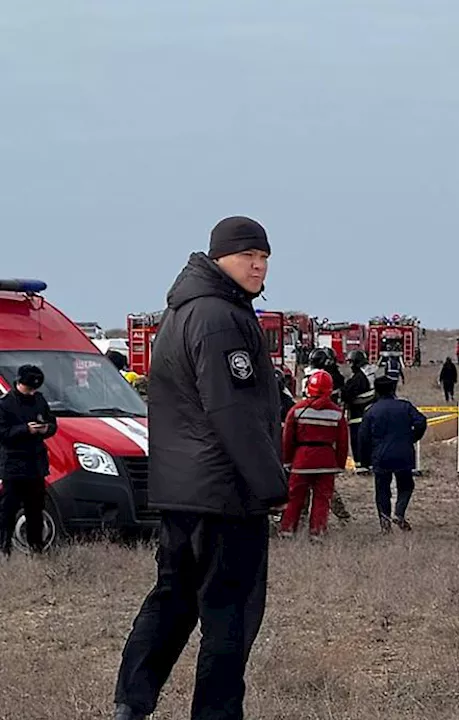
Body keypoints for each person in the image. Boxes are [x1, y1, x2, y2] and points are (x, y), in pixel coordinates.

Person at [114, 216, 288, 720]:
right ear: (219, 259)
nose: (258, 265)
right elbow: (231, 411)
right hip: (224, 494)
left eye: (265, 257)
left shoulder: (185, 311)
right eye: (247, 256)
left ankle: (132, 700)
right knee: (229, 614)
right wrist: (271, 486)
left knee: (173, 599)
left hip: (182, 490)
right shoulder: (218, 318)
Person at [280, 371, 348, 540]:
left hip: (301, 459)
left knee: (294, 497)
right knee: (322, 499)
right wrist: (339, 464)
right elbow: (342, 443)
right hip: (326, 461)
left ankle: (287, 530)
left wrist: (287, 461)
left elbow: (288, 439)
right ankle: (317, 533)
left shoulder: (297, 410)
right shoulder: (337, 413)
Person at [0, 365, 58, 556]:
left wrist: (45, 428)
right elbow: (3, 433)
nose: (32, 392)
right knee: (8, 510)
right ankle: (4, 547)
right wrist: (25, 429)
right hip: (14, 466)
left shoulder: (39, 400)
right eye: (28, 388)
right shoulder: (5, 404)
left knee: (35, 509)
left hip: (36, 465)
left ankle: (37, 547)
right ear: (19, 383)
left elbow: (52, 423)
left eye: (35, 388)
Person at [359, 377, 427, 533]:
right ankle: (399, 512)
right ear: (393, 390)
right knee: (406, 485)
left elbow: (363, 438)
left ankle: (385, 524)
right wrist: (412, 437)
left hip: (380, 455)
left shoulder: (371, 411)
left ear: (375, 391)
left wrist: (364, 461)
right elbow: (421, 422)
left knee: (382, 490)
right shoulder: (405, 406)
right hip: (403, 453)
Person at [343, 350, 377, 472]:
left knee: (357, 441)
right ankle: (369, 463)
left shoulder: (358, 378)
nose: (350, 366)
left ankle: (361, 465)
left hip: (358, 415)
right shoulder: (369, 374)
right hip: (369, 413)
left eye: (351, 362)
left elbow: (347, 394)